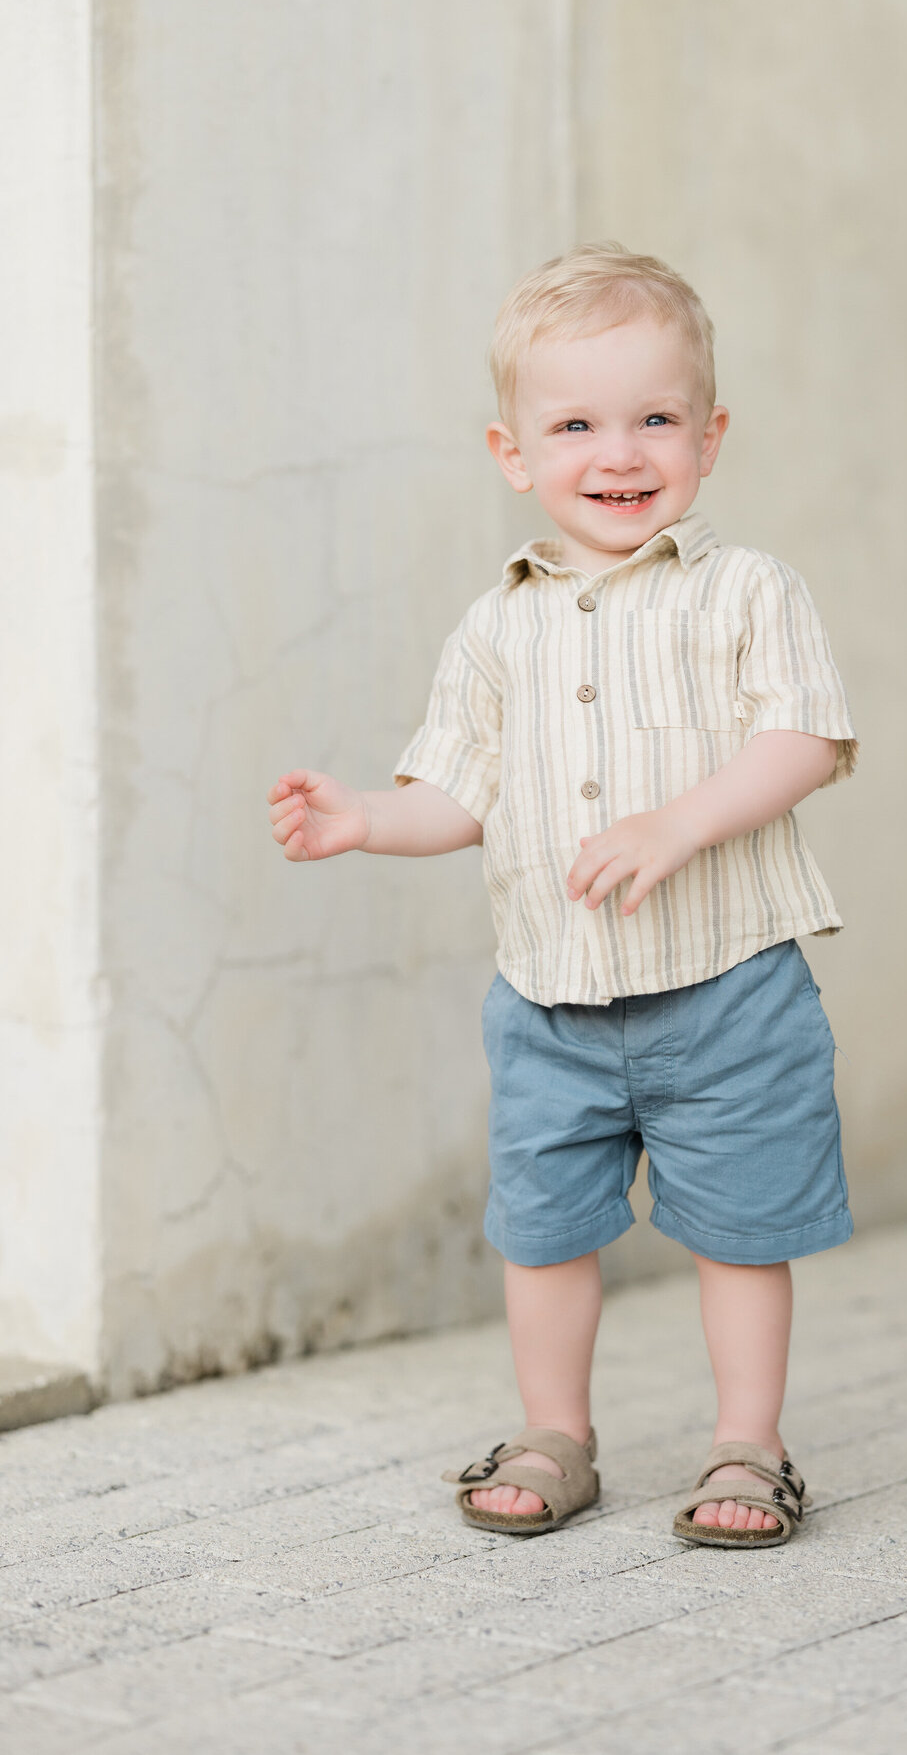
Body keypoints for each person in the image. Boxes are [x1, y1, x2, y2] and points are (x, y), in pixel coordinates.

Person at [266, 243, 858, 1548]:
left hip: (727, 982)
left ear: (709, 434)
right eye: (576, 422)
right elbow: (461, 793)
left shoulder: (746, 591)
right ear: (512, 450)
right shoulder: (497, 629)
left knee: (740, 1230)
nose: (620, 450)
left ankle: (749, 1448)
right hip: (552, 997)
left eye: (656, 418)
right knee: (542, 1232)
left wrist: (677, 821)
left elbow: (803, 739)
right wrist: (369, 818)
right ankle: (557, 1432)